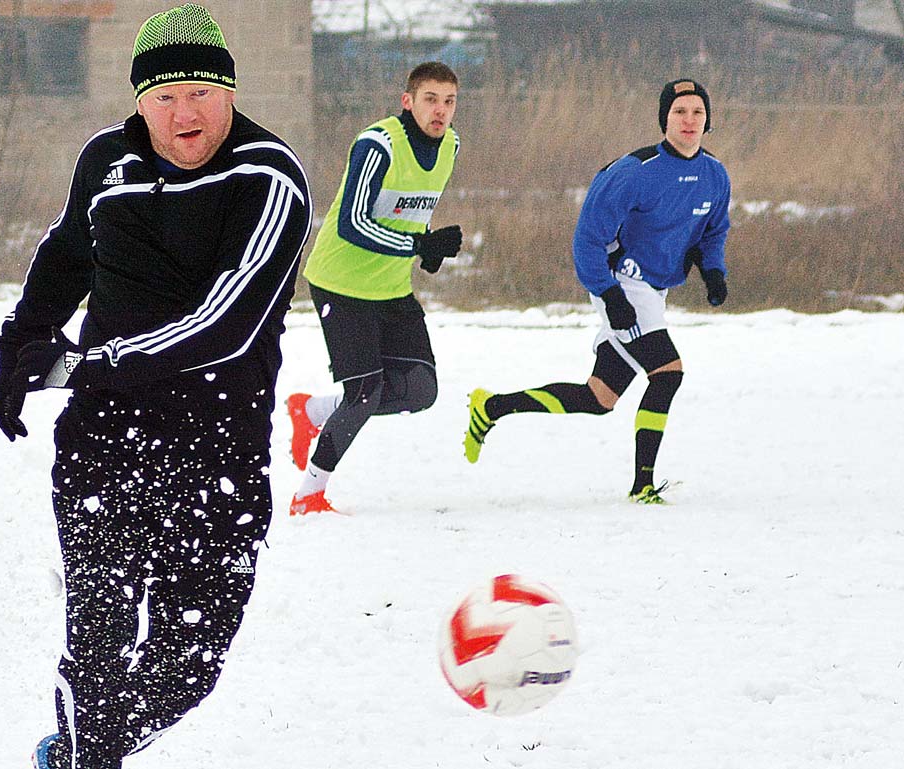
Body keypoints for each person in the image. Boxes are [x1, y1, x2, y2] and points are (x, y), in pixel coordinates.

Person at [0, 6, 311, 768]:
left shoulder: (269, 177)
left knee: (186, 667)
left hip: (220, 450)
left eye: (200, 91)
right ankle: (89, 753)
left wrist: (91, 363)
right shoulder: (105, 163)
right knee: (96, 649)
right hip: (106, 440)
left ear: (229, 92)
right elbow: (67, 255)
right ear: (139, 101)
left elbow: (225, 323)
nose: (183, 113)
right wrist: (20, 345)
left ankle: (77, 753)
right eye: (164, 97)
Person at [463, 78, 730, 504]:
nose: (689, 120)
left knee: (598, 397)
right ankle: (643, 485)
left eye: (697, 112)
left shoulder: (714, 175)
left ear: (708, 120)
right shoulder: (631, 173)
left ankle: (491, 407)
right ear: (664, 118)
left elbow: (713, 233)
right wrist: (609, 295)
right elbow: (587, 240)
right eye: (680, 111)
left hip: (654, 292)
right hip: (622, 284)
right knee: (667, 372)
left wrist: (713, 271)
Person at [286, 61, 463, 516]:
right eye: (430, 100)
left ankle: (311, 411)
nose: (440, 111)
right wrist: (417, 243)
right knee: (364, 393)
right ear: (408, 101)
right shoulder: (378, 143)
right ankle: (309, 495)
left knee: (422, 390)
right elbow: (353, 224)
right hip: (340, 284)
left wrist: (428, 248)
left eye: (449, 101)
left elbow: (408, 208)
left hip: (389, 287)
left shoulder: (451, 147)